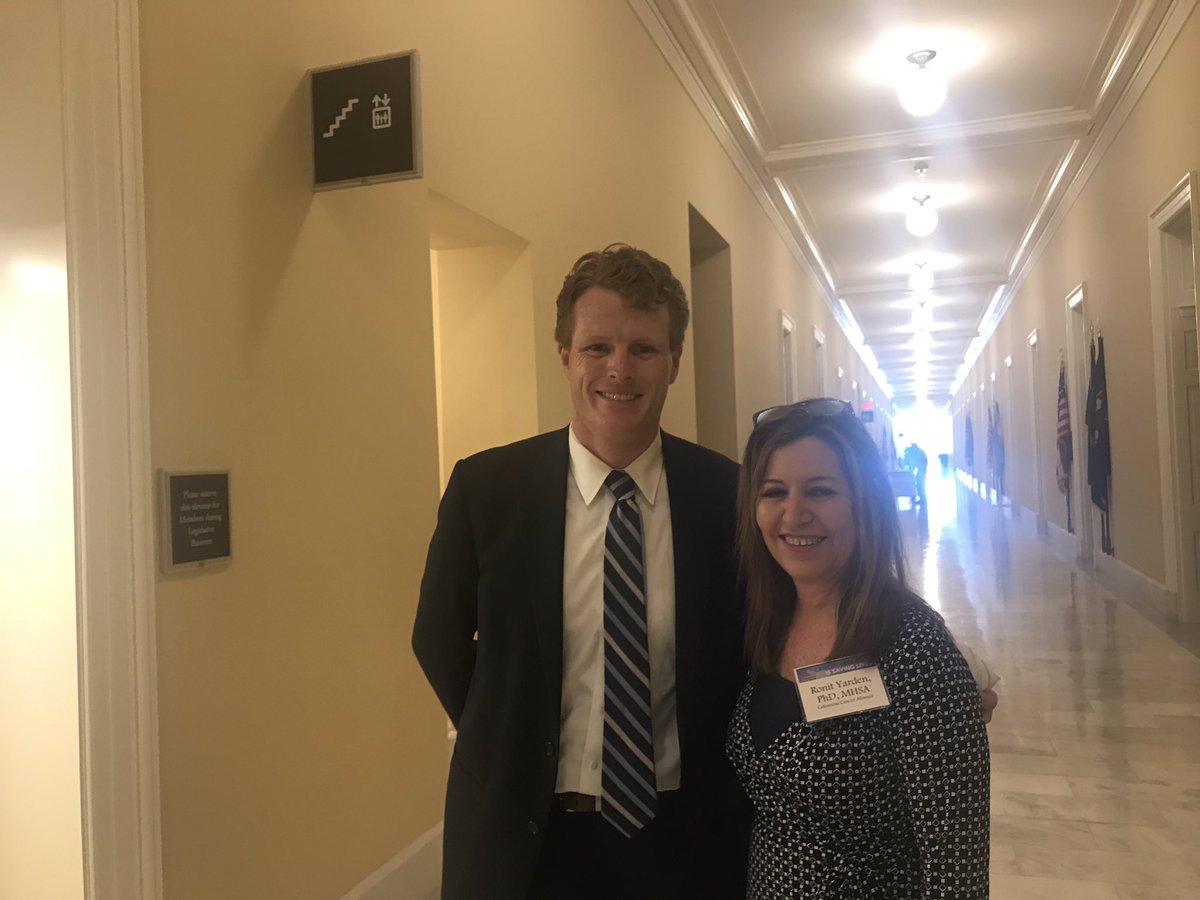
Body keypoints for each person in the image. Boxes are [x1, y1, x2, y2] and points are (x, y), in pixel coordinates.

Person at [412, 244, 748, 899]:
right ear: (564, 354)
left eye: (644, 349)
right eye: (598, 347)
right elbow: (438, 639)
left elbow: (772, 631)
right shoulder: (488, 490)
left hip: (685, 836)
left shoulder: (725, 497)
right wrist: (511, 728)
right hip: (528, 838)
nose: (619, 370)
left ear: (675, 361)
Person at [726, 398, 990, 899]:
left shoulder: (913, 646)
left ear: (863, 502)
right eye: (774, 492)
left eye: (821, 491)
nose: (794, 514)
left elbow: (957, 868)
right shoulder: (764, 625)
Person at [903, 441, 929, 505]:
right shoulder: (918, 452)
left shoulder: (920, 452)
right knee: (919, 485)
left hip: (922, 471)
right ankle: (921, 499)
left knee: (920, 485)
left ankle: (923, 499)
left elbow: (923, 462)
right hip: (921, 470)